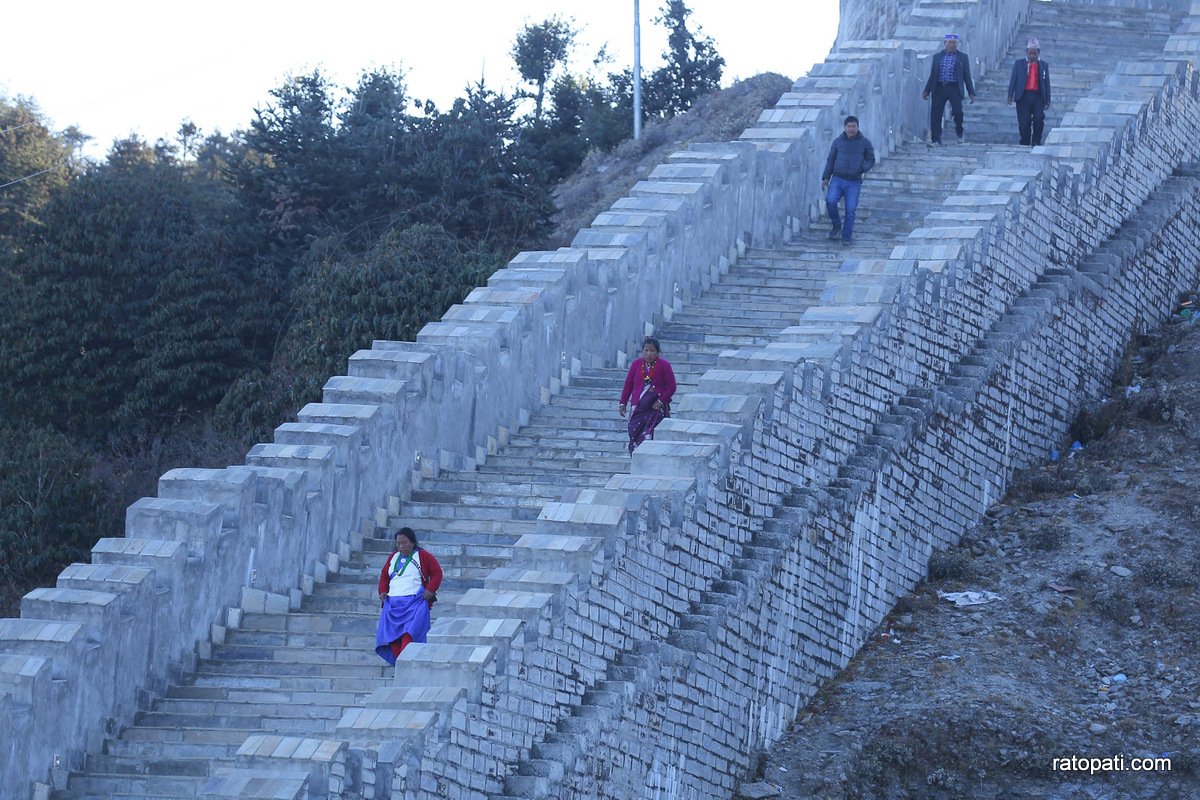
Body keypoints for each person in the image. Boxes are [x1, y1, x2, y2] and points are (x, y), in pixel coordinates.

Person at [375, 527, 442, 665]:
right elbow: (384, 576)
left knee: (409, 633)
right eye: (398, 543)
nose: (401, 546)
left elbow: (437, 573)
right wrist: (382, 591)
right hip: (392, 603)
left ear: (412, 542)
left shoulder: (423, 556)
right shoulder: (392, 557)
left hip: (414, 602)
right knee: (392, 636)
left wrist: (430, 590)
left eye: (404, 543)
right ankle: (399, 663)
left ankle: (405, 663)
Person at [820, 116, 875, 247]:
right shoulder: (838, 142)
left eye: (853, 126)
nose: (851, 129)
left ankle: (846, 237)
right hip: (837, 178)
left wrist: (862, 168)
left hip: (854, 182)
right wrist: (825, 177)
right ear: (845, 127)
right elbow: (830, 160)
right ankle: (836, 226)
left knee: (850, 209)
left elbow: (871, 159)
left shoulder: (865, 143)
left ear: (858, 127)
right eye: (849, 126)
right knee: (830, 200)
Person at [619, 336, 677, 453]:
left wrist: (660, 401)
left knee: (650, 434)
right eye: (646, 350)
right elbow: (628, 385)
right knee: (634, 432)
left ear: (658, 352)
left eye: (652, 351)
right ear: (642, 351)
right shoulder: (636, 365)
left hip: (654, 409)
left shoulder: (664, 365)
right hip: (638, 407)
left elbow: (672, 387)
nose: (649, 354)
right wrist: (623, 402)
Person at [921, 33, 976, 145]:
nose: (951, 45)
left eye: (953, 43)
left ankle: (959, 133)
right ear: (945, 43)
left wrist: (971, 92)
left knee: (957, 112)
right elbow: (933, 75)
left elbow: (967, 76)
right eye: (949, 42)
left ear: (956, 44)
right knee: (936, 113)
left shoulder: (962, 57)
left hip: (954, 88)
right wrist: (927, 90)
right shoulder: (937, 57)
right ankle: (936, 139)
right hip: (940, 87)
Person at [1007, 37, 1051, 146]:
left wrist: (1048, 99)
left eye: (1034, 53)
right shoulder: (1019, 64)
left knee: (1038, 118)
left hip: (1038, 97)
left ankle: (1036, 140)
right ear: (1026, 52)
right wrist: (1010, 95)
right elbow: (1013, 80)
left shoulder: (1043, 65)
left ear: (1038, 53)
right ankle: (1025, 141)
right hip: (1023, 97)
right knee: (1024, 122)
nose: (1032, 56)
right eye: (1030, 53)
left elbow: (1047, 84)